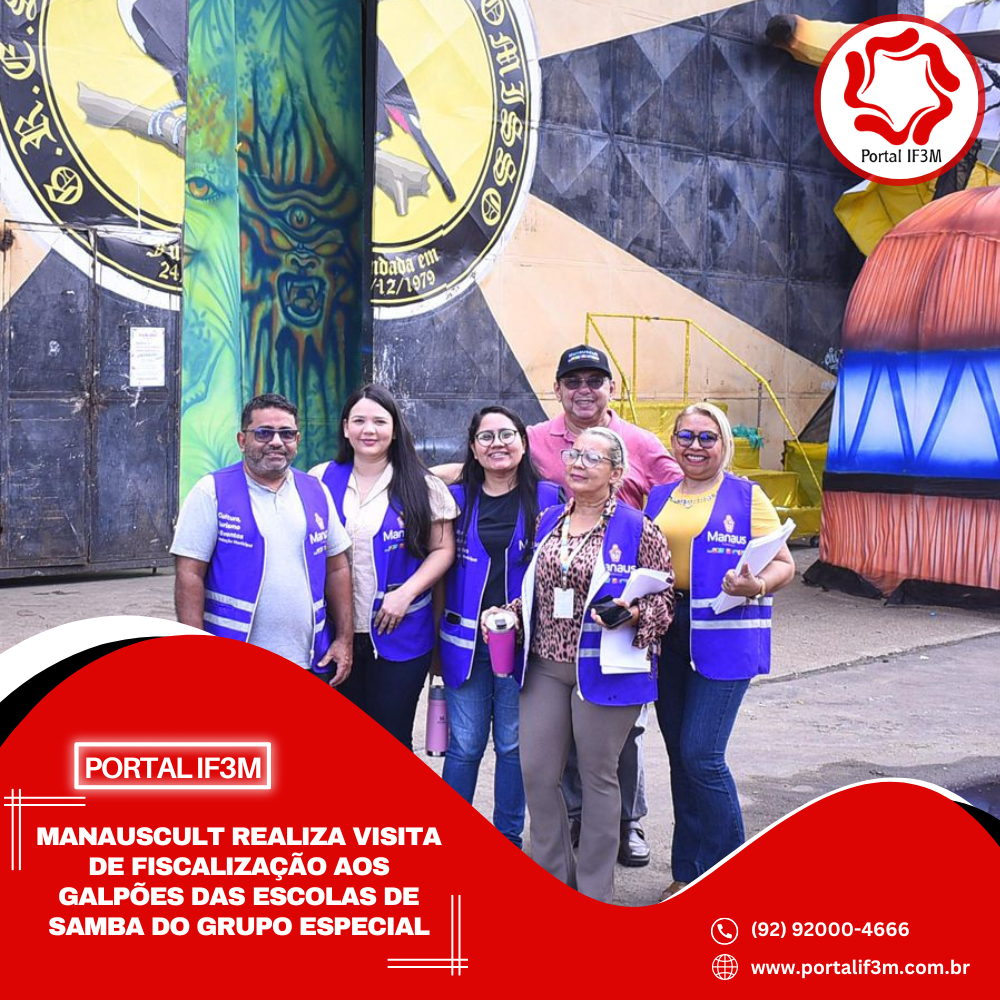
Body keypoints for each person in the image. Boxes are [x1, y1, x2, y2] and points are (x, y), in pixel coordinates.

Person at [484, 427, 674, 903]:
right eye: (574, 454)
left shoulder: (638, 528)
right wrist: (509, 614)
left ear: (616, 472)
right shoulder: (549, 519)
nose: (578, 464)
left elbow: (665, 601)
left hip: (604, 668)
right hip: (545, 664)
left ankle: (593, 893)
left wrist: (633, 613)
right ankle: (554, 880)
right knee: (537, 773)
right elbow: (539, 591)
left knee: (597, 777)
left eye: (592, 458)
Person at [532, 344, 683, 866]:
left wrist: (646, 543)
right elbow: (489, 461)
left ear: (610, 388)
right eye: (573, 381)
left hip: (617, 609)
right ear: (558, 389)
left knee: (621, 735)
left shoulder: (639, 442)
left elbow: (684, 488)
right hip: (557, 609)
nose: (584, 390)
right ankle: (578, 821)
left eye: (594, 380)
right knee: (562, 738)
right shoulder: (536, 439)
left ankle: (627, 822)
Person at [645, 403, 795, 899]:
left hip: (724, 636)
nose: (695, 446)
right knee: (679, 756)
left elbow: (785, 564)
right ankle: (688, 872)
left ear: (723, 443)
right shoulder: (659, 496)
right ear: (673, 442)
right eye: (686, 436)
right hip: (668, 633)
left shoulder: (747, 496)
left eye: (707, 437)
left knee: (702, 754)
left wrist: (758, 585)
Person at [436, 406, 560, 848]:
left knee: (512, 745)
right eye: (485, 437)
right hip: (464, 642)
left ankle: (507, 837)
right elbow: (412, 478)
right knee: (465, 744)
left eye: (507, 435)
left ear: (524, 443)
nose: (497, 444)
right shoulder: (455, 498)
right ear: (472, 448)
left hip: (522, 643)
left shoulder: (550, 497)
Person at [311, 384, 458, 750]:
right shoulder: (318, 479)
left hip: (401, 633)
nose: (369, 430)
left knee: (391, 738)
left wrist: (406, 593)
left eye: (379, 421)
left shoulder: (423, 485)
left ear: (394, 429)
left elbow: (443, 549)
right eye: (359, 420)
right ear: (346, 428)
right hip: (334, 632)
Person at [172, 393, 353, 682]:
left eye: (287, 433)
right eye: (264, 433)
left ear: (297, 440)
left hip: (310, 660)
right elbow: (189, 574)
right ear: (242, 440)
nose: (277, 441)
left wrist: (344, 639)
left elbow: (338, 568)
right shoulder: (212, 491)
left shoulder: (316, 490)